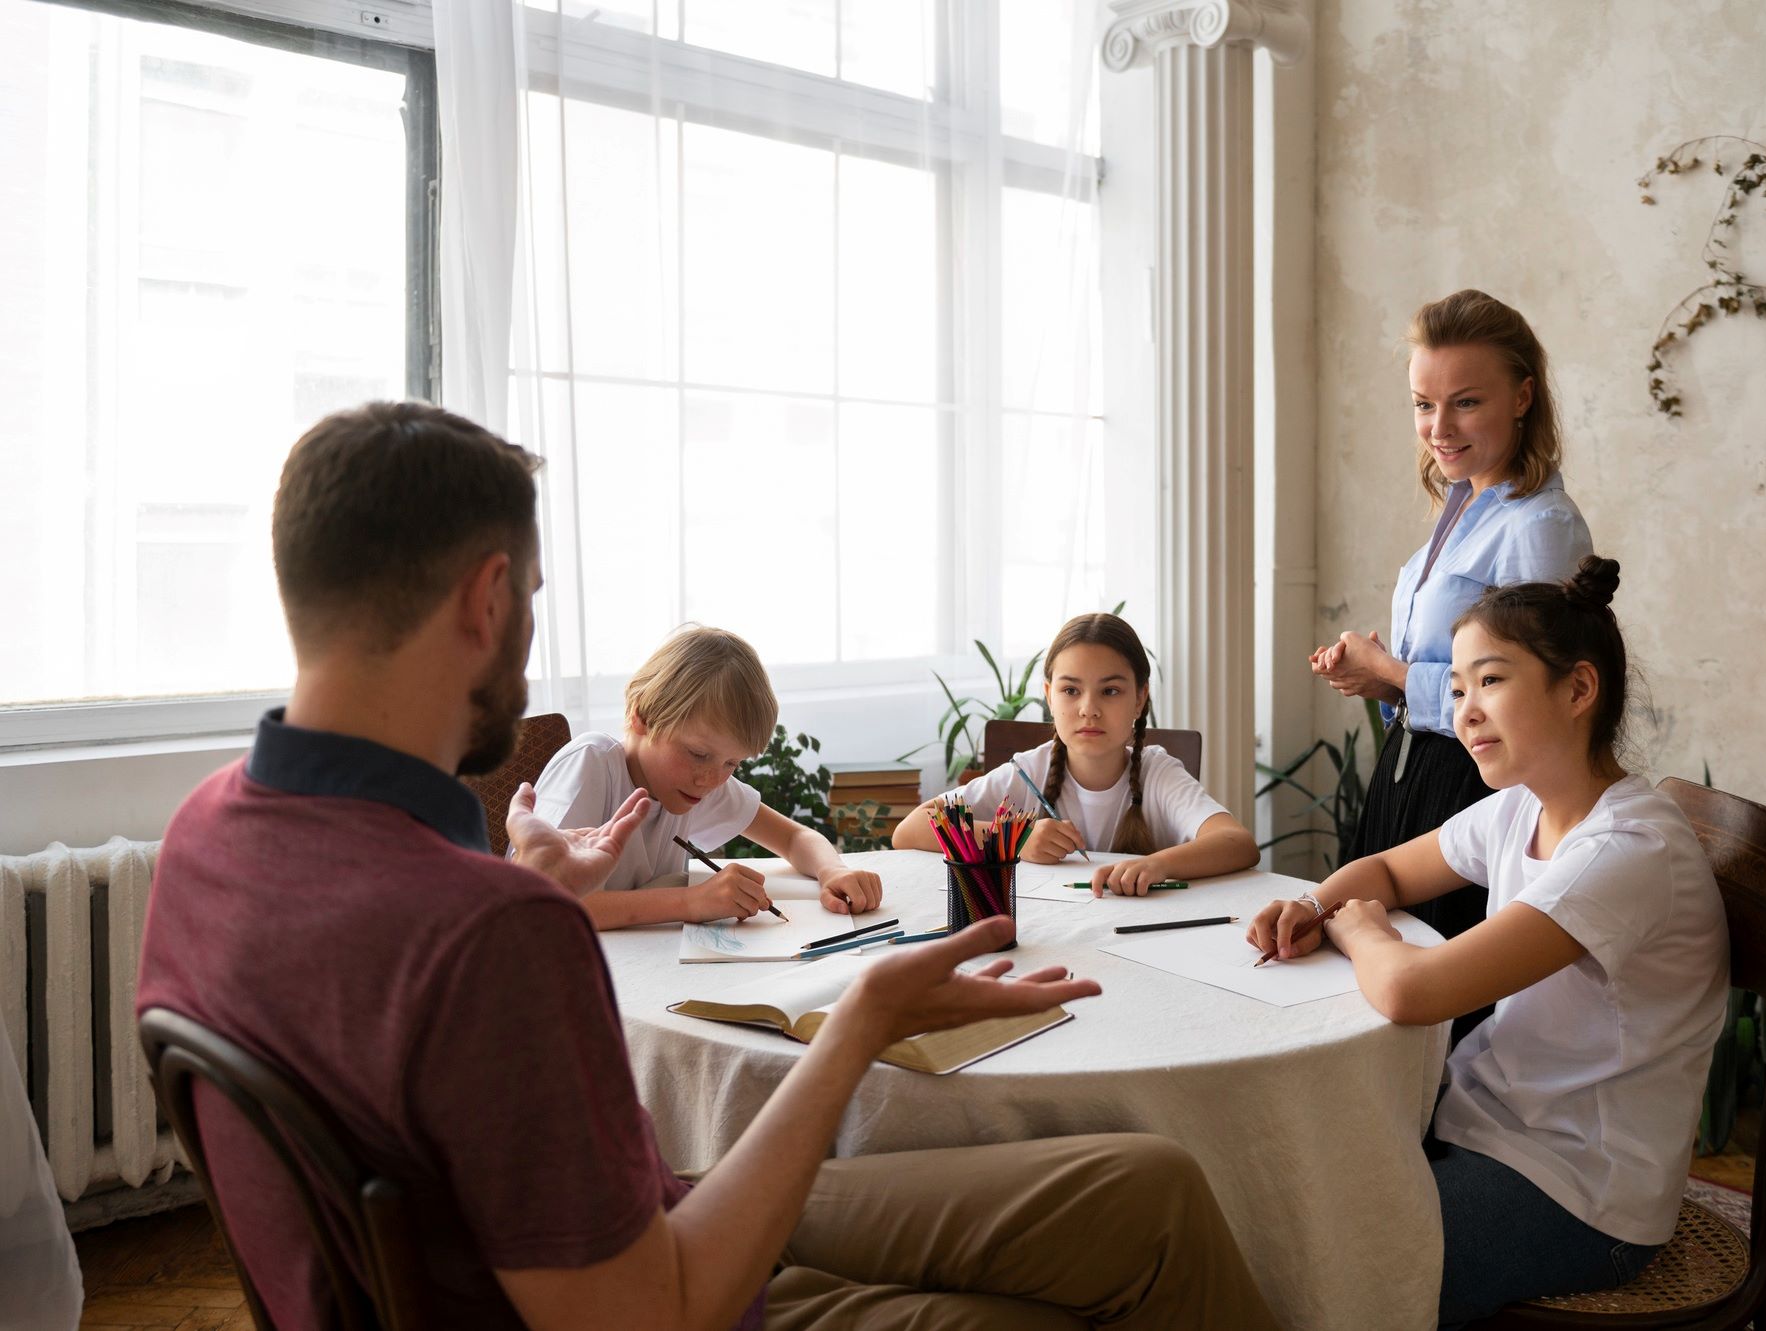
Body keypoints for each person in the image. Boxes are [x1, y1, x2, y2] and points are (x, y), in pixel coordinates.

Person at [136, 402, 1279, 1331]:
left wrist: (543, 897)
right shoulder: (484, 931)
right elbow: (655, 1307)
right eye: (528, 599)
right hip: (660, 1285)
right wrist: (860, 1022)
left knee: (1147, 1186)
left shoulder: (202, 835)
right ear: (488, 598)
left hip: (631, 1220)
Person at [1254, 557, 1728, 1327]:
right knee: (1276, 1187)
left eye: (1493, 681)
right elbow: (1386, 870)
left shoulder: (1625, 851)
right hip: (1488, 1128)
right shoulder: (1519, 807)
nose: (1467, 709)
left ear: (1578, 689)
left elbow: (1414, 990)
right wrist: (1314, 902)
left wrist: (1358, 925)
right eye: (1461, 686)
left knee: (1314, 1258)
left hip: (1580, 1191)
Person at [1311, 289, 1592, 1042]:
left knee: (1437, 1020)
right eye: (1422, 404)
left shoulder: (1541, 525)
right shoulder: (1464, 504)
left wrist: (1398, 676)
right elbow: (1456, 670)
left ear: (1523, 394)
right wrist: (1379, 680)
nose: (1439, 428)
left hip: (1470, 786)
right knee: (1369, 1001)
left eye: (1465, 402)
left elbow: (1519, 698)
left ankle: (1433, 1160)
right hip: (1408, 776)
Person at [532, 625, 884, 931]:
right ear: (641, 717)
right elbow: (545, 903)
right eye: (698, 754)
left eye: (732, 763)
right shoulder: (592, 764)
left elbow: (794, 838)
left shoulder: (693, 783)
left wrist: (832, 871)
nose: (713, 779)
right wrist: (691, 902)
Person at [891, 612, 1259, 896]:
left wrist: (1158, 865)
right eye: (1070, 691)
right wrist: (1014, 837)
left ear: (1140, 697)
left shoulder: (1156, 772)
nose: (1089, 709)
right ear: (1049, 695)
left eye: (1110, 691)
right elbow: (910, 830)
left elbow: (1238, 844)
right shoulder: (1027, 771)